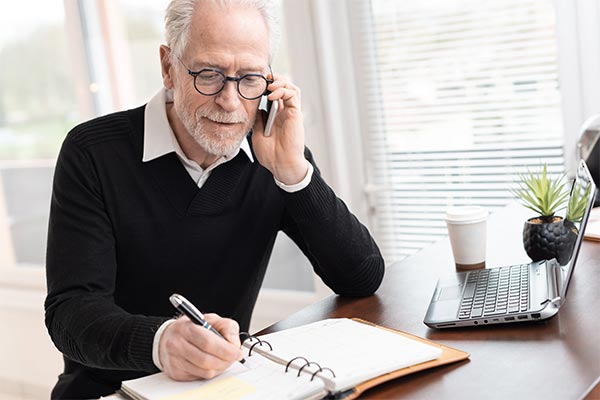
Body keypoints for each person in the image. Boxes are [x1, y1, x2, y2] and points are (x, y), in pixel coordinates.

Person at [44, 0, 385, 398]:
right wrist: (161, 341)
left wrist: (294, 174)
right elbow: (70, 312)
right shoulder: (92, 152)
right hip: (108, 389)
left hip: (222, 386)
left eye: (250, 78)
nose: (230, 101)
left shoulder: (272, 156)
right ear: (168, 67)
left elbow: (361, 278)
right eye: (209, 74)